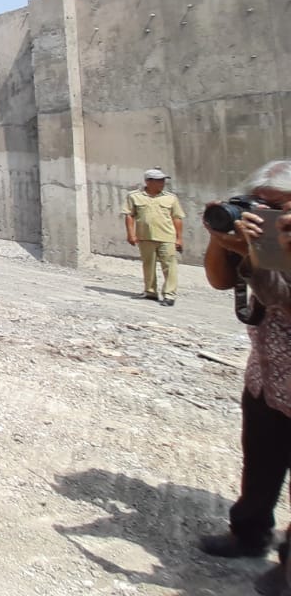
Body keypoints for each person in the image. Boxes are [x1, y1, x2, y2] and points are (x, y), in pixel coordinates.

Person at [197, 159, 291, 579]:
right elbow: (219, 281)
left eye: (277, 207)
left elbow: (281, 299)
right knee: (260, 460)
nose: (264, 215)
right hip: (267, 377)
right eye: (258, 204)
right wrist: (222, 238)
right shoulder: (260, 238)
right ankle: (250, 533)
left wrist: (259, 255)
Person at [123, 168, 185, 306]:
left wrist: (179, 238)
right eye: (158, 180)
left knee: (169, 266)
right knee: (148, 265)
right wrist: (131, 234)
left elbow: (177, 218)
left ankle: (169, 295)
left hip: (167, 236)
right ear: (148, 181)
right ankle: (150, 292)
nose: (162, 183)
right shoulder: (134, 196)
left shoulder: (170, 198)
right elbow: (129, 215)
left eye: (163, 180)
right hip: (145, 237)